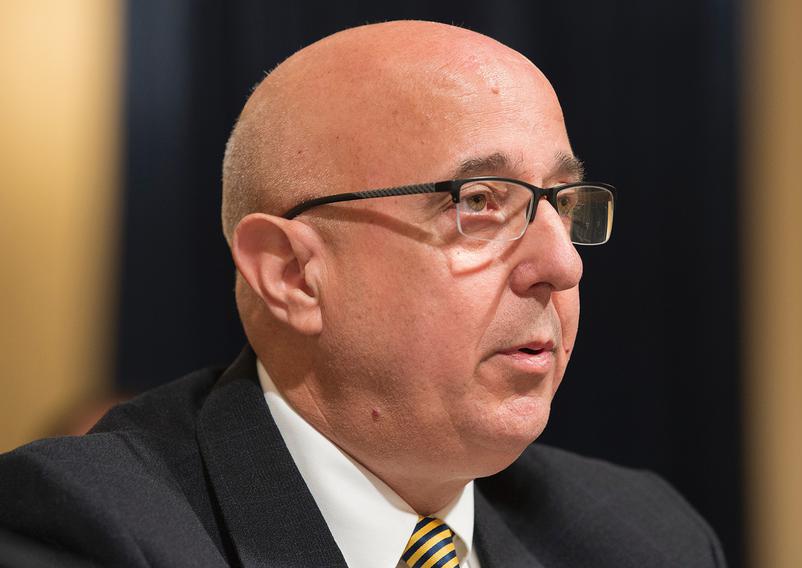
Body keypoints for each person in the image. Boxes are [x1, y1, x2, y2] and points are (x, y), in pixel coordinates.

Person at [0, 21, 725, 567]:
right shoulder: (90, 528)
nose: (562, 264)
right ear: (290, 274)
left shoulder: (642, 536)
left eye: (560, 202)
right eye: (478, 202)